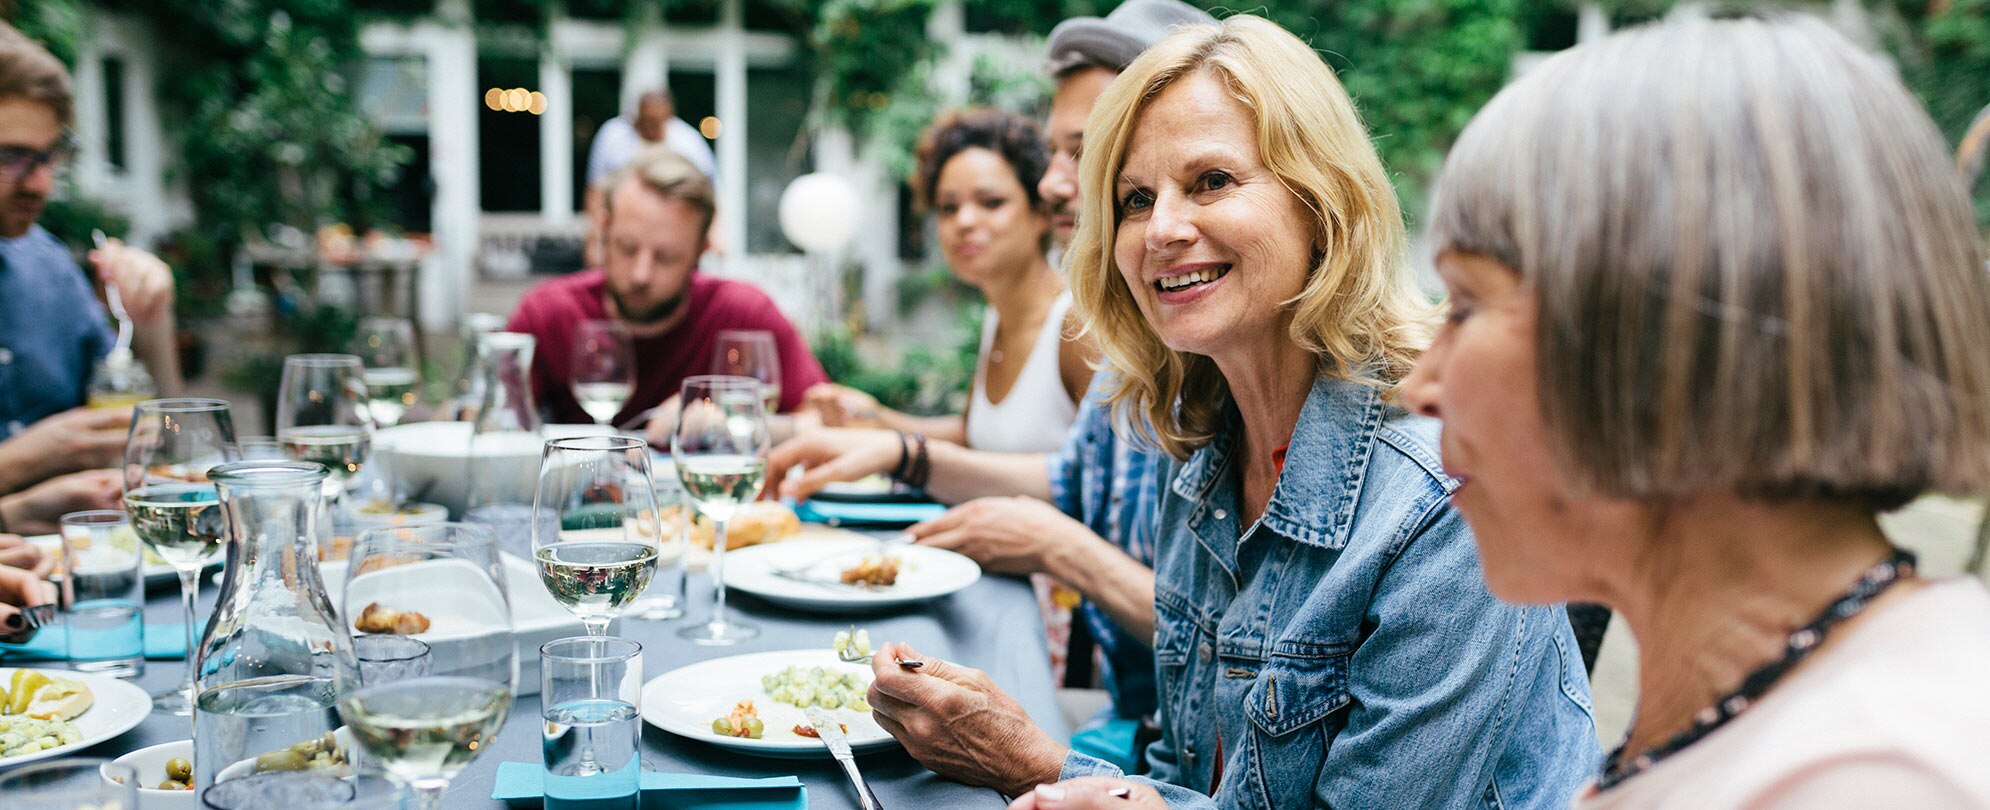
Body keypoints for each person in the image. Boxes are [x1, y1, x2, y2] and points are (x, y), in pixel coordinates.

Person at [869, 15, 1598, 809]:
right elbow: (1193, 774)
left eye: (1212, 181)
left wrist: (1036, 764)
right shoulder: (1200, 452)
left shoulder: (1445, 497)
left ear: (1321, 204)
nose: (1163, 230)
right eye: (1136, 199)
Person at [1395, 13, 1990, 809]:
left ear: (1653, 340)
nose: (1419, 386)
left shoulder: (1878, 778)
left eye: (1465, 305)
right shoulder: (1785, 718)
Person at [767, 0, 1207, 752]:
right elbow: (1065, 478)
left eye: (1091, 151)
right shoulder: (1136, 353)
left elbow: (1237, 647)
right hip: (1147, 725)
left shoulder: (1107, 334)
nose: (1055, 184)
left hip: (1146, 731)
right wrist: (893, 440)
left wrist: (1053, 545)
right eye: (1060, 153)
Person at [807, 109, 1092, 453]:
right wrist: (875, 417)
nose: (965, 221)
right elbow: (975, 438)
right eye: (948, 207)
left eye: (991, 202)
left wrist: (896, 450)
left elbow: (1096, 482)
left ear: (1041, 213)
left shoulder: (1077, 327)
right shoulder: (997, 317)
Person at [509, 146, 827, 428]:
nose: (641, 274)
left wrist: (728, 423)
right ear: (603, 229)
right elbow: (492, 422)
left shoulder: (744, 314)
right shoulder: (548, 314)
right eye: (627, 248)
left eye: (666, 257)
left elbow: (824, 417)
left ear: (702, 249)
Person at [0, 24, 177, 498]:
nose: (39, 184)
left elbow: (158, 444)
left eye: (49, 156)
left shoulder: (47, 267)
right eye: (11, 157)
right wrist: (20, 462)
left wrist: (151, 319)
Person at [584, 89, 720, 266]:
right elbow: (595, 190)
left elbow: (711, 192)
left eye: (656, 122)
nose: (649, 127)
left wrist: (716, 236)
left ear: (669, 119)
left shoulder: (688, 143)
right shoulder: (613, 137)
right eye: (645, 121)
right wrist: (594, 238)